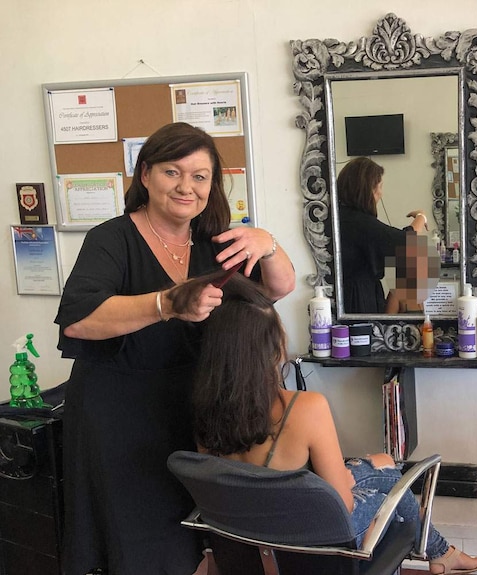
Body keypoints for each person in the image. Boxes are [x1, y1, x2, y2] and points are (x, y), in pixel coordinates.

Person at [54, 122, 296, 575]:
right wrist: (165, 303)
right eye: (172, 172)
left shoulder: (213, 241)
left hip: (192, 407)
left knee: (193, 534)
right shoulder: (112, 239)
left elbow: (277, 288)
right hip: (119, 414)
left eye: (200, 176)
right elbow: (80, 320)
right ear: (145, 175)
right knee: (138, 537)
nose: (187, 186)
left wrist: (268, 245)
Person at [186, 271, 477, 575]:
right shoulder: (305, 408)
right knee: (391, 486)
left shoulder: (201, 410)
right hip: (312, 544)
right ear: (272, 349)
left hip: (246, 540)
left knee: (382, 464)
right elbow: (342, 508)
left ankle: (442, 552)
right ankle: (438, 553)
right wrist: (344, 479)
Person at [336, 156, 428, 313]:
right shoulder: (359, 222)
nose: (380, 194)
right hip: (357, 301)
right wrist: (421, 217)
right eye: (379, 187)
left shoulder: (341, 217)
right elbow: (406, 242)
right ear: (367, 190)